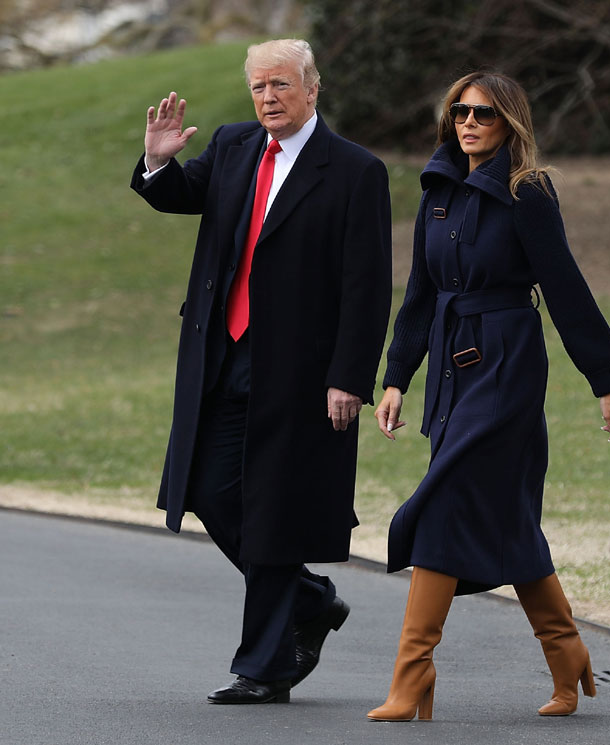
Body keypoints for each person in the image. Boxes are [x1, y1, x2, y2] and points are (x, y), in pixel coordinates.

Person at [130, 39, 391, 704]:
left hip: (301, 371)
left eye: (280, 84)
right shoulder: (234, 145)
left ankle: (264, 665)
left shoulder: (355, 171)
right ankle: (309, 597)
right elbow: (183, 193)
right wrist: (159, 163)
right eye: (258, 87)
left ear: (312, 87)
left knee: (274, 508)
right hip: (224, 355)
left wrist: (349, 377)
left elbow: (367, 286)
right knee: (212, 492)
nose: (268, 97)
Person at [367, 71, 610, 722]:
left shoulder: (526, 191)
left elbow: (564, 287)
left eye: (483, 114)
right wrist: (397, 375)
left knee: (442, 499)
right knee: (506, 515)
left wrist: (605, 381)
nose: (468, 122)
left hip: (507, 361)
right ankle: (565, 654)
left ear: (508, 123)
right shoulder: (436, 190)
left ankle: (410, 675)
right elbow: (419, 294)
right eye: (459, 111)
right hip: (451, 363)